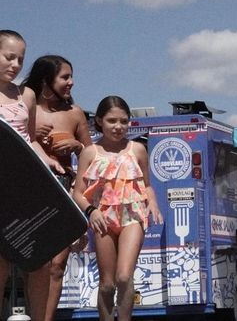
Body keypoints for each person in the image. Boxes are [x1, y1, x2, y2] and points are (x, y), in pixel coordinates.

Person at [72, 96, 163, 320]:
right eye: (112, 121)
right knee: (107, 284)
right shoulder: (90, 152)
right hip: (103, 218)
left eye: (124, 121)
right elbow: (78, 193)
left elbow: (147, 186)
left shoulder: (138, 149)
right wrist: (91, 211)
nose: (118, 126)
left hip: (132, 215)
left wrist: (152, 202)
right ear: (100, 121)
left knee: (124, 276)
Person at [0, 30, 66, 320]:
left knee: (39, 260)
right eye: (8, 57)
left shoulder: (24, 95)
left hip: (26, 184)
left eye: (20, 60)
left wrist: (48, 160)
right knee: (0, 264)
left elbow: (30, 138)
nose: (15, 65)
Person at [23, 54, 93, 321]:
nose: (71, 82)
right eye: (65, 77)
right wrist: (31, 138)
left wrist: (77, 147)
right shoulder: (26, 106)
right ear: (46, 80)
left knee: (57, 265)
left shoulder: (74, 113)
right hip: (32, 188)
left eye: (71, 76)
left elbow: (93, 155)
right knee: (37, 263)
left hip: (64, 188)